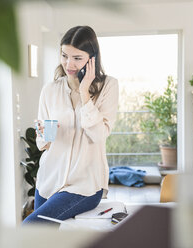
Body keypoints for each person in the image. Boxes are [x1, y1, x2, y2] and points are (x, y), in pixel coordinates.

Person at [22, 26, 119, 225]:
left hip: (84, 186)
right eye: (64, 55)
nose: (69, 63)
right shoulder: (50, 90)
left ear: (92, 58)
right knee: (43, 240)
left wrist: (84, 93)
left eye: (77, 58)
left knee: (29, 227)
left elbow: (99, 135)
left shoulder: (108, 87)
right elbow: (43, 144)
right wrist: (44, 134)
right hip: (48, 181)